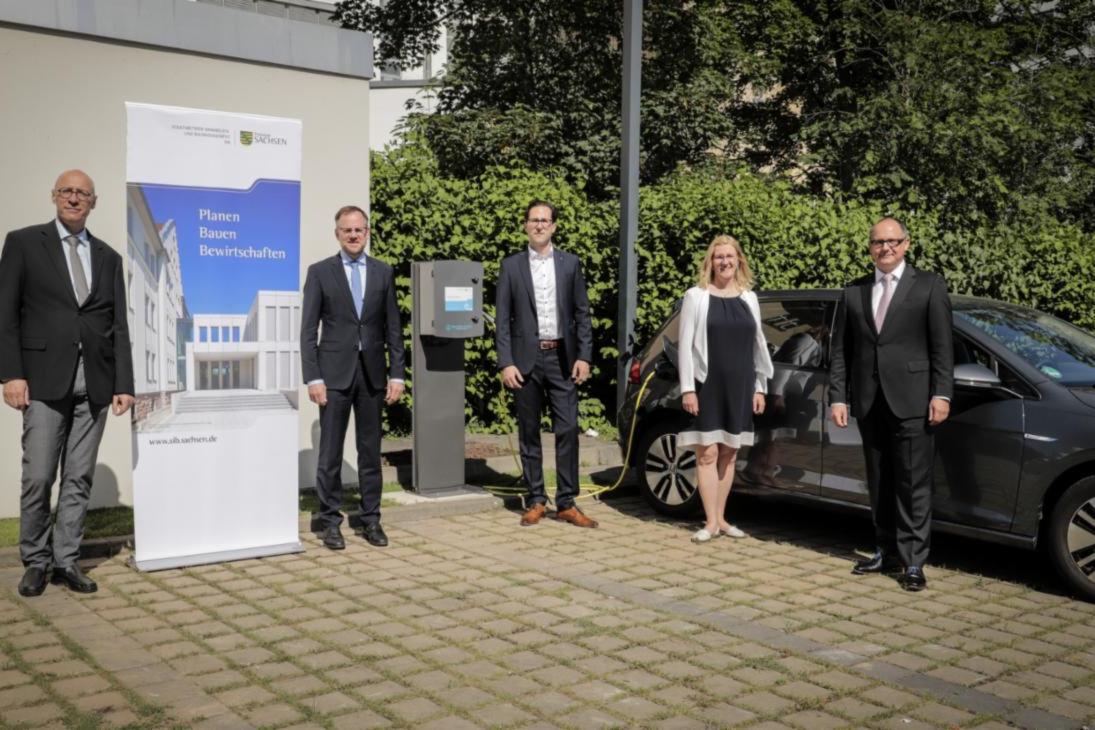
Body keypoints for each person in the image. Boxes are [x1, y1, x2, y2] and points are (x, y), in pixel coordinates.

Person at [0, 170, 135, 597]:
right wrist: (11, 374)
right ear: (54, 196)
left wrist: (124, 382)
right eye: (67, 191)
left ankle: (66, 560)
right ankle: (35, 561)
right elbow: (5, 314)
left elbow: (119, 326)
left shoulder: (109, 256)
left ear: (94, 203)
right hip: (41, 379)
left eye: (83, 194)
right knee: (38, 475)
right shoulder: (23, 243)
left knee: (78, 478)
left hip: (94, 383)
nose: (74, 198)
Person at [829, 217, 953, 591]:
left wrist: (942, 393)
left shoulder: (929, 286)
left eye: (893, 242)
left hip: (914, 401)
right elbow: (840, 352)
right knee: (880, 481)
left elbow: (941, 347)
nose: (885, 248)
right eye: (878, 242)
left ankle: (913, 561)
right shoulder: (853, 292)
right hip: (869, 402)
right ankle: (885, 552)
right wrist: (839, 396)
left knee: (913, 483)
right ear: (870, 247)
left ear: (906, 244)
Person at [301, 206, 405, 551]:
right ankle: (330, 522)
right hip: (332, 376)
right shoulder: (319, 273)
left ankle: (370, 519)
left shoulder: (383, 272)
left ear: (368, 231)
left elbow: (393, 328)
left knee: (369, 451)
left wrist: (397, 374)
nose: (354, 235)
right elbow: (307, 331)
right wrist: (312, 377)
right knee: (329, 453)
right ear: (337, 234)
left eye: (359, 229)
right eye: (347, 230)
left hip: (373, 375)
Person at [496, 200, 596, 528]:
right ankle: (536, 499)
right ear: (525, 225)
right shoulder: (511, 266)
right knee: (529, 431)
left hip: (562, 358)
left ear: (554, 226)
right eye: (533, 220)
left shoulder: (570, 264)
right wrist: (506, 362)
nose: (539, 225)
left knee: (567, 428)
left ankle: (566, 502)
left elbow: (582, 312)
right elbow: (502, 320)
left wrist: (584, 355)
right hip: (525, 360)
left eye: (545, 220)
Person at [677, 235, 773, 543]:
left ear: (739, 260)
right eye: (719, 257)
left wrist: (760, 387)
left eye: (730, 256)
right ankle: (709, 522)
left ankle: (721, 519)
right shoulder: (696, 296)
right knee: (708, 453)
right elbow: (685, 347)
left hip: (741, 384)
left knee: (729, 453)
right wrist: (688, 388)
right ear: (711, 262)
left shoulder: (750, 298)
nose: (724, 261)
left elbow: (758, 346)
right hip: (708, 384)